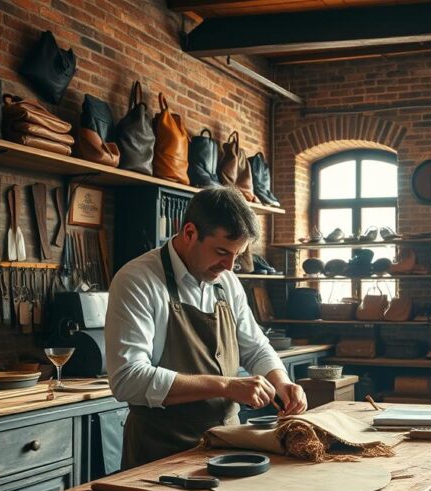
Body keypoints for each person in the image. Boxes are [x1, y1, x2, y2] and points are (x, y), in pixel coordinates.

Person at [106, 187, 306, 469]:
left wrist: (281, 382)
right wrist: (226, 386)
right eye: (222, 252)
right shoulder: (137, 281)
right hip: (161, 453)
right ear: (189, 233)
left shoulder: (227, 281)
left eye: (237, 255)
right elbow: (128, 379)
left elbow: (256, 347)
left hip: (229, 445)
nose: (229, 265)